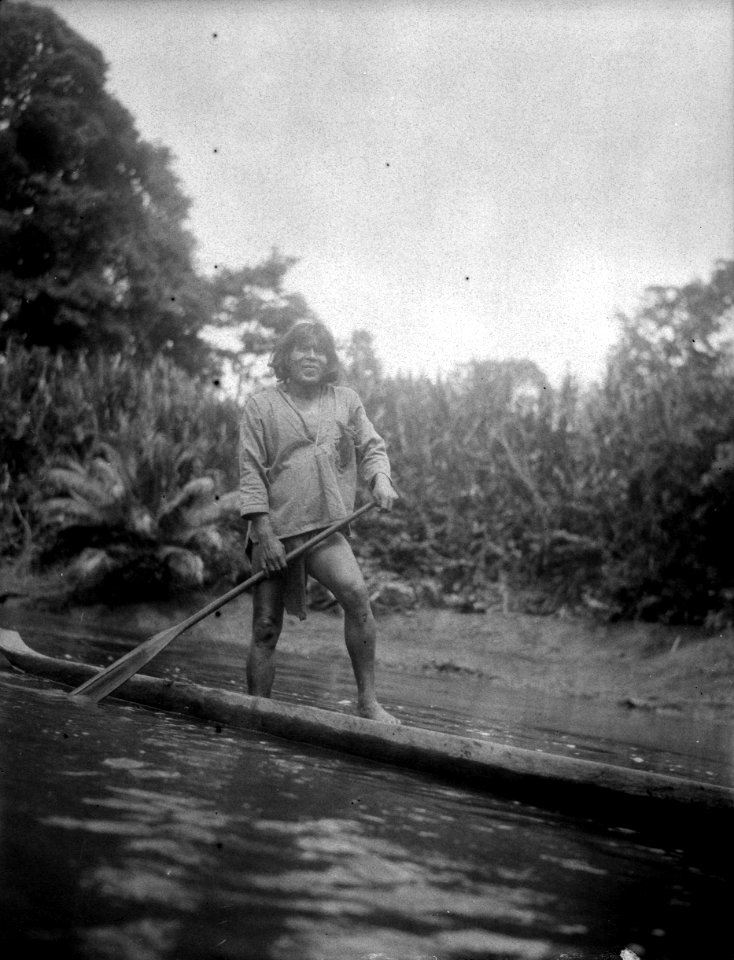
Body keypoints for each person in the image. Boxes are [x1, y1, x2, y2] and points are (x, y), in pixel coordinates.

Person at [239, 319, 400, 723]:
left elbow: (372, 445)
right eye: (301, 349)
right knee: (265, 627)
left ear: (328, 360)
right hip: (273, 531)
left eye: (319, 351)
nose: (310, 356)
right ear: (286, 357)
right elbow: (251, 472)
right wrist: (264, 534)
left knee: (357, 595)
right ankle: (258, 714)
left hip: (324, 529)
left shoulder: (345, 400)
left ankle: (368, 704)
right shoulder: (260, 405)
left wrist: (380, 479)